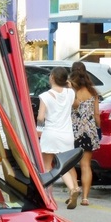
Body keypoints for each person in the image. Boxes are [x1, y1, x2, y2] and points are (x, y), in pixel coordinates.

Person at [36, 67, 81, 209]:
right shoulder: (70, 93)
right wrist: (69, 86)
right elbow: (76, 105)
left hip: (51, 134)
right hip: (67, 135)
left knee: (46, 166)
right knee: (64, 166)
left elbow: (41, 117)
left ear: (52, 78)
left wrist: (38, 131)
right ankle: (73, 189)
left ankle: (47, 196)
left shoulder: (45, 96)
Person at [69, 61, 101, 206]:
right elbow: (97, 114)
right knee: (86, 165)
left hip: (73, 131)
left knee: (69, 164)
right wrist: (98, 129)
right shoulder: (93, 92)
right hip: (89, 131)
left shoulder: (70, 91)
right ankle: (85, 198)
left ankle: (74, 189)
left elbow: (74, 106)